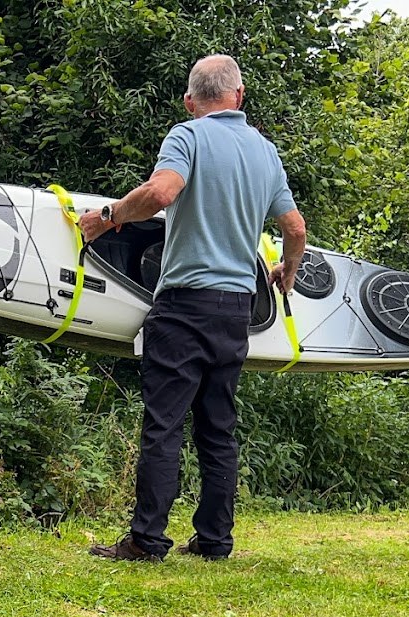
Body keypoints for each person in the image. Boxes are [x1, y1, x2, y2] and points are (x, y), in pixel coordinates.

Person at [80, 55, 307, 562]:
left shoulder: (188, 136)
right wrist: (286, 272)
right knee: (217, 427)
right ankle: (214, 540)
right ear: (239, 96)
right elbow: (295, 230)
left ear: (190, 101)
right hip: (236, 310)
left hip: (183, 304)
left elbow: (161, 193)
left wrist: (108, 216)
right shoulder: (265, 152)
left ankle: (146, 540)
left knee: (164, 425)